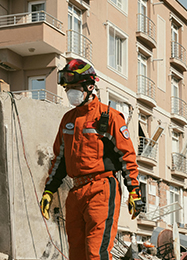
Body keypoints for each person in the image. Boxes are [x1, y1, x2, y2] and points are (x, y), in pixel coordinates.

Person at [40, 59, 144, 260]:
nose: (71, 92)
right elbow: (59, 160)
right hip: (76, 192)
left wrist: (135, 191)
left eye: (75, 87)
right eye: (68, 88)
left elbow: (127, 157)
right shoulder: (68, 120)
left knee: (96, 253)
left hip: (102, 189)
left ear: (89, 86)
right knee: (76, 254)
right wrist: (49, 190)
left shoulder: (110, 117)